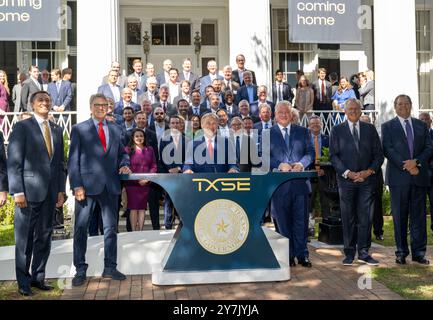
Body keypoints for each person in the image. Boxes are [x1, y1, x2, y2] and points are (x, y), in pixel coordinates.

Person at [68, 93, 131, 286]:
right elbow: (73, 160)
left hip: (110, 187)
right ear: (91, 107)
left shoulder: (115, 128)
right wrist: (76, 185)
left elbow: (122, 154)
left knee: (111, 229)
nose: (101, 108)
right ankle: (80, 269)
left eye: (104, 105)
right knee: (81, 229)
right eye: (97, 105)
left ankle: (110, 267)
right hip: (85, 188)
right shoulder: (80, 129)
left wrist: (124, 164)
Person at [8, 91, 66, 296]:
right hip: (27, 193)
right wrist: (17, 191)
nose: (45, 103)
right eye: (41, 100)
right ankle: (23, 282)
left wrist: (61, 190)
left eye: (48, 100)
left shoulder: (57, 130)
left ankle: (38, 277)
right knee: (24, 240)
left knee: (44, 237)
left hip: (50, 194)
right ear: (33, 105)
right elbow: (14, 162)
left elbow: (60, 164)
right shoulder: (22, 127)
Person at [330, 98, 384, 266]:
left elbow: (379, 155)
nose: (353, 111)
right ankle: (349, 252)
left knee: (365, 218)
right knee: (348, 217)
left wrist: (367, 172)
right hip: (346, 181)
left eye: (356, 108)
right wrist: (348, 173)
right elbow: (334, 156)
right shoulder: (337, 130)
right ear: (345, 111)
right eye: (350, 109)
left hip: (366, 181)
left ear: (361, 111)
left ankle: (364, 252)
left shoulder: (370, 129)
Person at [382, 95, 433, 265]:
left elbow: (429, 147)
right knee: (400, 217)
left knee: (418, 217)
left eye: (406, 103)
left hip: (419, 177)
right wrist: (407, 166)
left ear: (411, 106)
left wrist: (416, 162)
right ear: (395, 107)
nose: (403, 106)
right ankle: (401, 252)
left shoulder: (421, 126)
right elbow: (388, 149)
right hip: (399, 179)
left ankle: (419, 252)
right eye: (399, 104)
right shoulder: (388, 126)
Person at [269, 101, 315, 268]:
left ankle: (302, 254)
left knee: (301, 223)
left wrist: (302, 164)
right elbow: (262, 156)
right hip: (279, 188)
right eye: (280, 112)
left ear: (291, 114)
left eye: (286, 112)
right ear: (275, 115)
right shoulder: (267, 133)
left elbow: (310, 153)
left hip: (300, 186)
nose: (283, 115)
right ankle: (286, 256)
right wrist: (279, 165)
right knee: (282, 223)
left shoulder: (303, 132)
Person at [124, 128, 157, 231]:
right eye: (137, 136)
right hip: (132, 184)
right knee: (133, 208)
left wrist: (147, 179)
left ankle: (141, 231)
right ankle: (134, 231)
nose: (139, 138)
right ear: (133, 138)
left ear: (144, 137)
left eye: (141, 136)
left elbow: (154, 165)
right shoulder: (128, 150)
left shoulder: (150, 149)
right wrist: (135, 180)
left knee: (142, 208)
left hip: (145, 183)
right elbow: (125, 166)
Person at [160, 115, 189, 229]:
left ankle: (184, 223)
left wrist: (179, 168)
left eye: (177, 123)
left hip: (183, 174)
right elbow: (162, 156)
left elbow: (189, 157)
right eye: (173, 123)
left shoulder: (187, 139)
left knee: (183, 198)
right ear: (169, 125)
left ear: (181, 124)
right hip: (169, 173)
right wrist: (169, 169)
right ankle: (168, 224)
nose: (175, 125)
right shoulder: (164, 139)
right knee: (169, 199)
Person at [360, 114, 385, 240]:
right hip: (360, 177)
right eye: (363, 122)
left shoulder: (376, 137)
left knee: (377, 205)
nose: (366, 125)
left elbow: (379, 156)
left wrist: (370, 170)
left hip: (375, 175)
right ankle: (364, 233)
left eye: (368, 122)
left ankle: (378, 231)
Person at [308, 115, 329, 233]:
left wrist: (325, 169)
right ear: (309, 126)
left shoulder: (328, 139)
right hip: (310, 175)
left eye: (317, 123)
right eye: (313, 124)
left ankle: (325, 228)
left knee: (325, 202)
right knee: (309, 204)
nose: (315, 125)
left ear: (321, 125)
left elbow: (331, 156)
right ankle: (310, 228)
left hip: (324, 175)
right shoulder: (305, 139)